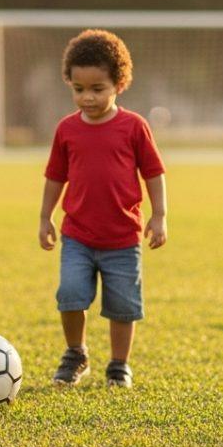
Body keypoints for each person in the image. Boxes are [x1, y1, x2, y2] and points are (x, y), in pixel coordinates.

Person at [38, 29, 167, 388]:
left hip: (123, 239)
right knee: (69, 295)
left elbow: (154, 173)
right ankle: (76, 353)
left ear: (118, 84)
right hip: (77, 236)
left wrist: (159, 216)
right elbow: (54, 177)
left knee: (123, 305)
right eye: (79, 89)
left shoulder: (134, 127)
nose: (87, 97)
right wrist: (45, 217)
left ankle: (118, 365)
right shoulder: (66, 130)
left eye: (97, 89)